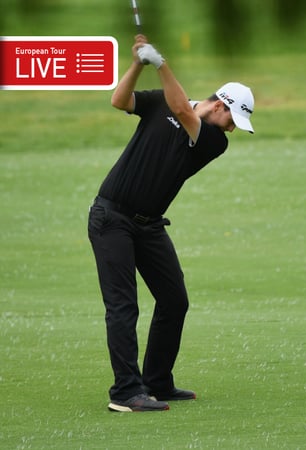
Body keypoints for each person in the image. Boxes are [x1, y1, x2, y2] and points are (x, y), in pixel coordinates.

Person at [88, 34, 255, 412]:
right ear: (220, 104)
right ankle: (126, 392)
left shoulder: (213, 140)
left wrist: (161, 63)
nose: (232, 129)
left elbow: (183, 112)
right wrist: (138, 64)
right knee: (123, 306)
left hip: (147, 225)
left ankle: (158, 383)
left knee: (174, 299)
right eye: (233, 119)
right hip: (111, 217)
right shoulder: (161, 100)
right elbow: (119, 100)